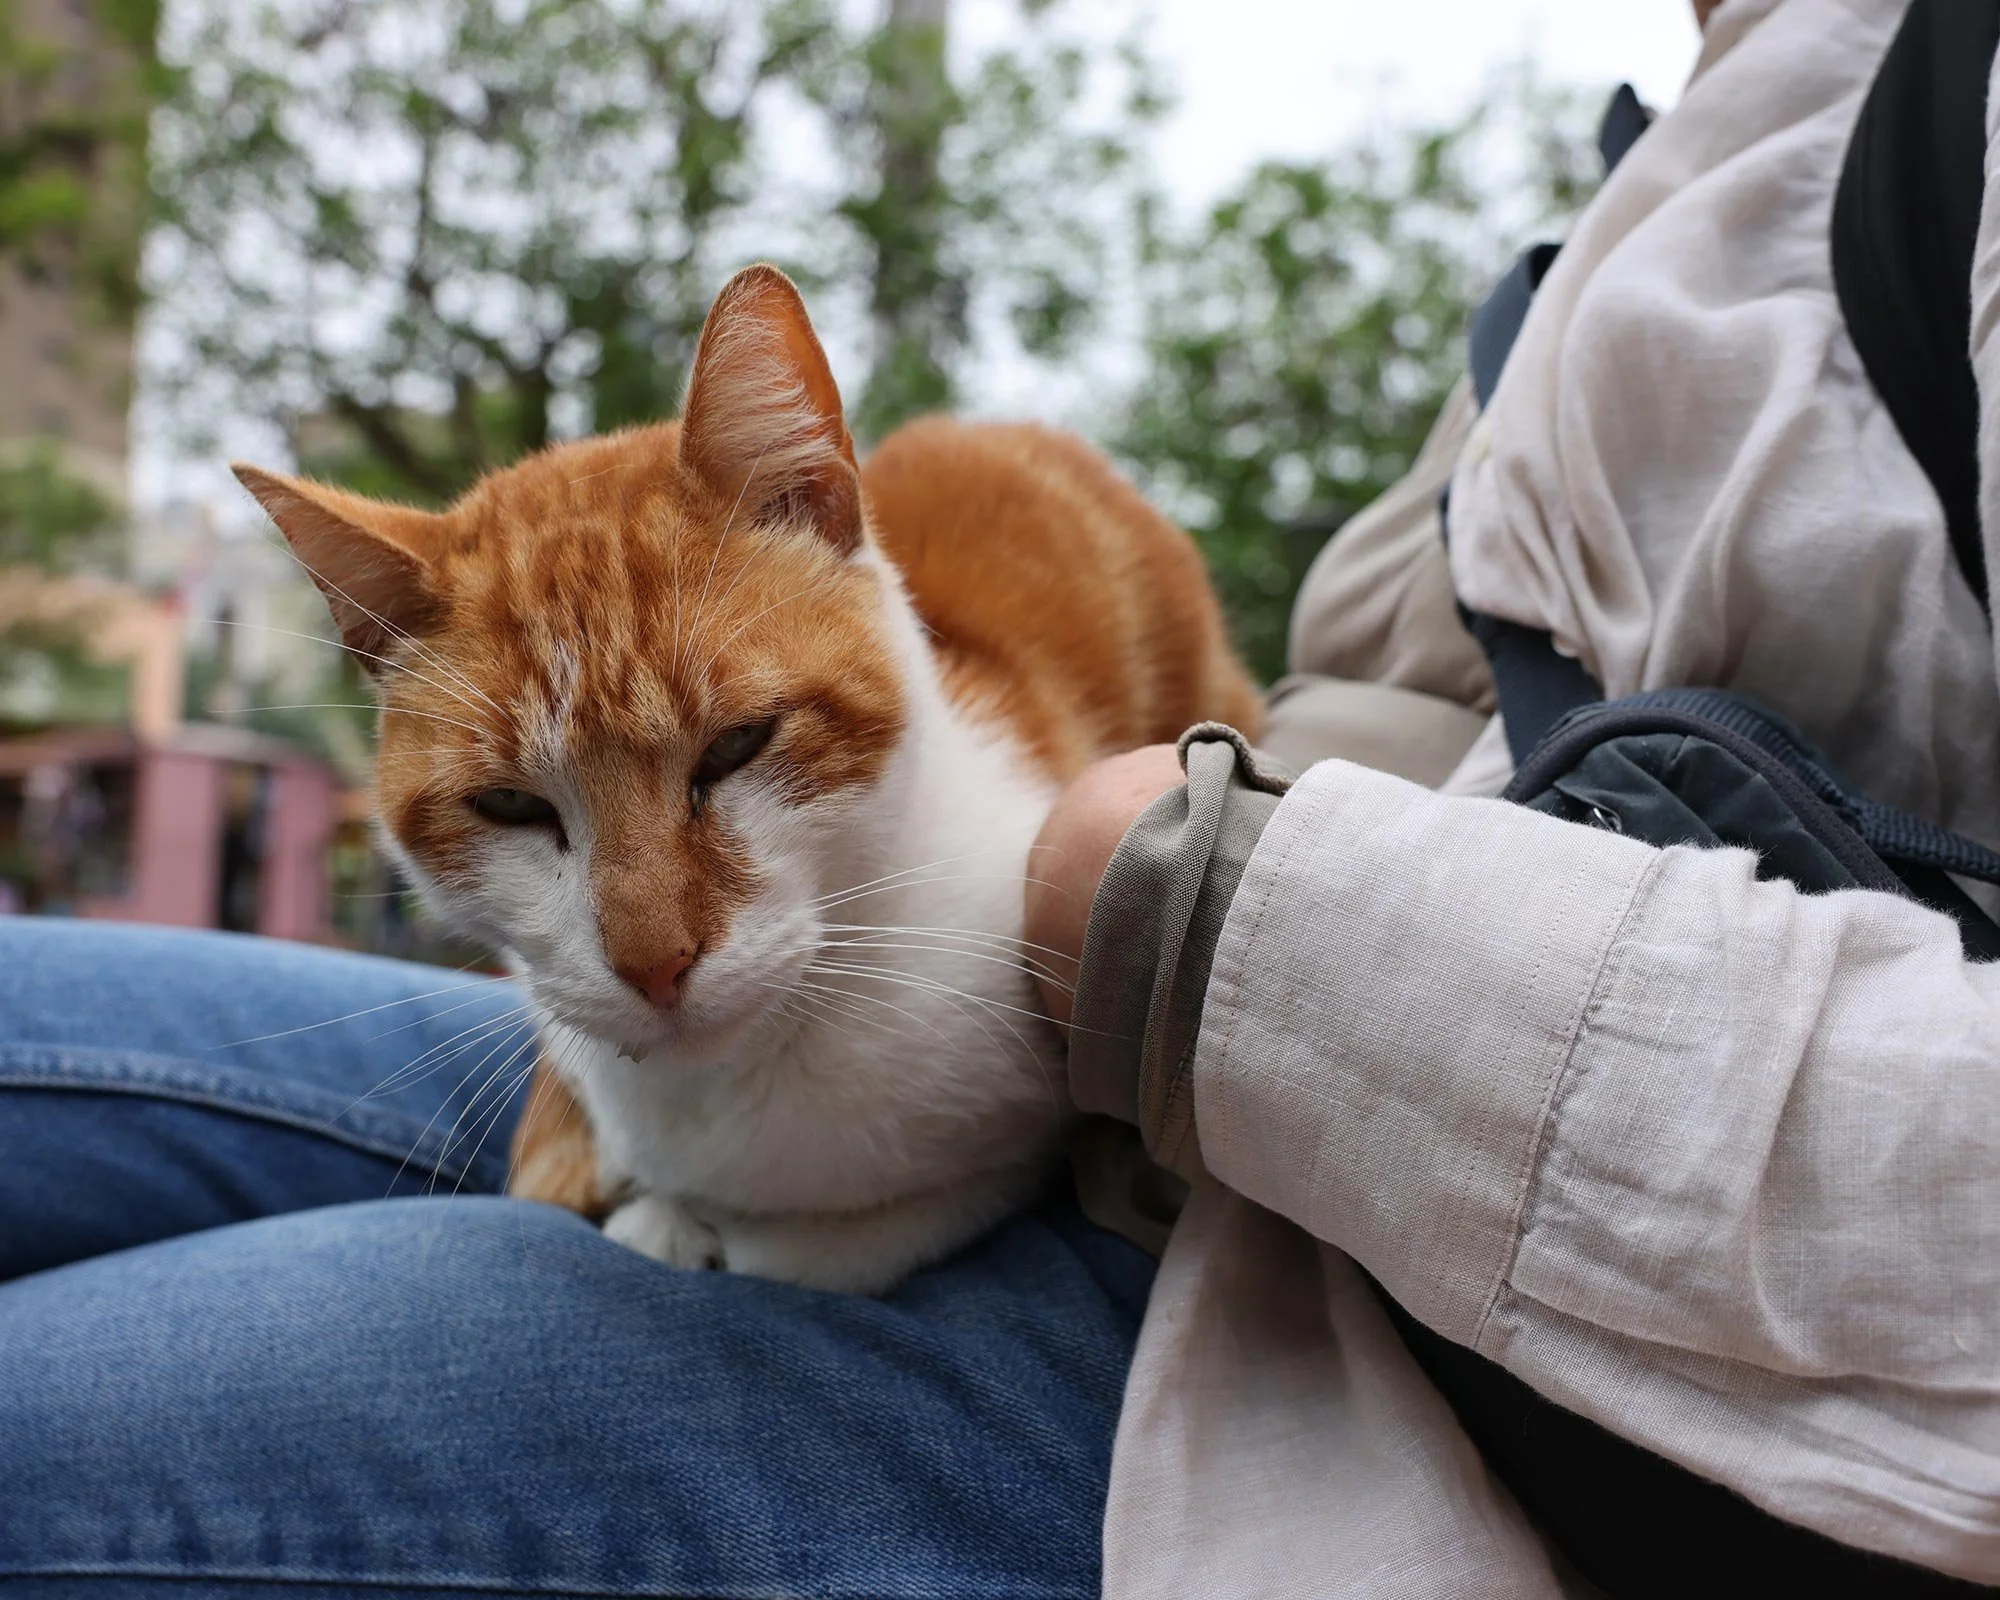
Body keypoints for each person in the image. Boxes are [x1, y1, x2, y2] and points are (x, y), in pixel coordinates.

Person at [4, 3, 1995, 1598]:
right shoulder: (1699, 125)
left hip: (1307, 1311)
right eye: (515, 824)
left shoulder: (1943, 124)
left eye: (727, 760)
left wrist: (1197, 909)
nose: (648, 937)